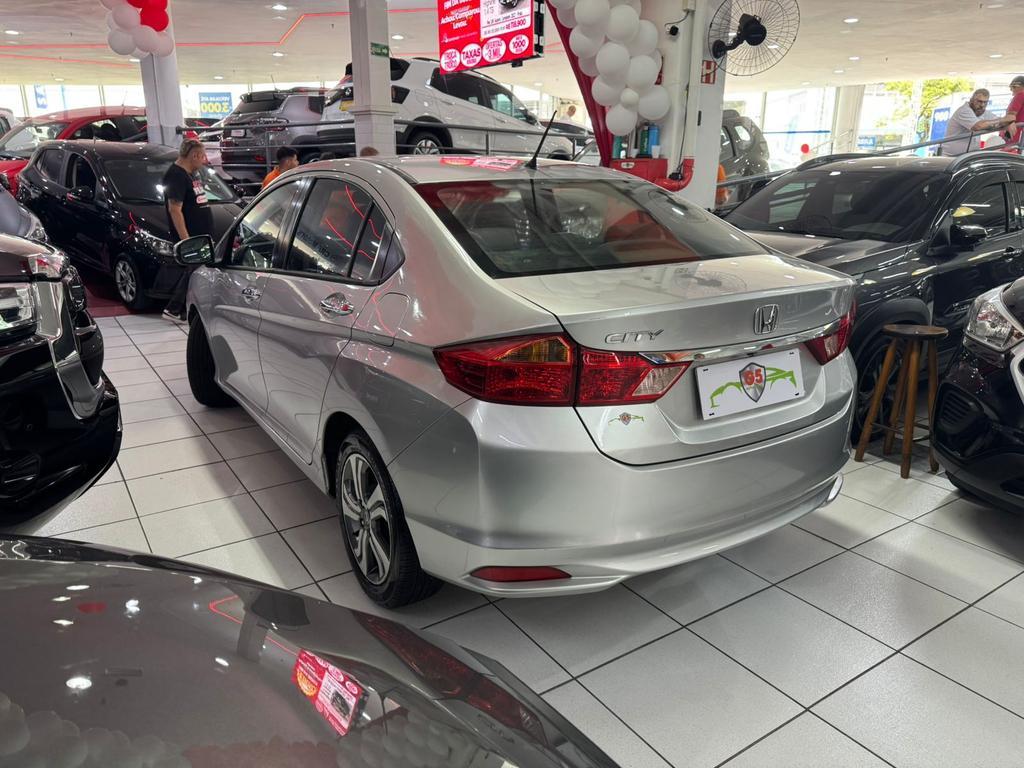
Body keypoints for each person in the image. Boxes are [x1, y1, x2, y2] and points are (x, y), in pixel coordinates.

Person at [162, 139, 214, 321]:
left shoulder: (191, 174)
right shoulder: (176, 176)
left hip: (200, 234)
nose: (204, 160)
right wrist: (186, 240)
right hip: (191, 236)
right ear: (195, 155)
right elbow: (174, 209)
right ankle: (174, 308)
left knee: (195, 270)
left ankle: (181, 308)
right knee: (193, 270)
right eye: (203, 156)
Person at [942, 89, 1014, 155]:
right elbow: (977, 126)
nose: (982, 105)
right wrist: (1003, 120)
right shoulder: (963, 110)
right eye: (979, 101)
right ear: (971, 100)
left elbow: (998, 122)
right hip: (951, 156)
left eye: (985, 102)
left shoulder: (984, 112)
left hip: (968, 155)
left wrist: (1009, 123)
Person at [1002, 76, 1024, 151]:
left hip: (1014, 139)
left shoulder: (1021, 95)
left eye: (1013, 88)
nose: (1012, 91)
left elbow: (1010, 115)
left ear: (1019, 86)